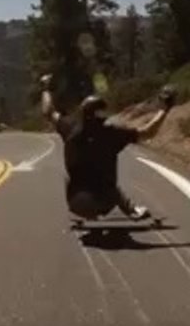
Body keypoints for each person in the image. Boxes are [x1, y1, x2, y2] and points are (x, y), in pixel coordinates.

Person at [38, 74, 176, 221]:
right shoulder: (112, 134)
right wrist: (164, 108)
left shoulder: (70, 127)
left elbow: (48, 112)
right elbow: (147, 132)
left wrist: (46, 88)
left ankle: (118, 210)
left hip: (74, 201)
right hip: (104, 201)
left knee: (75, 179)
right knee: (106, 182)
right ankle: (132, 210)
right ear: (101, 115)